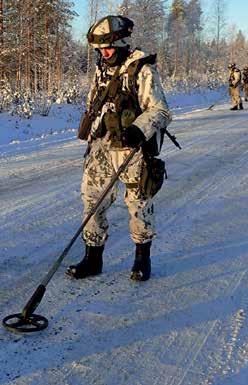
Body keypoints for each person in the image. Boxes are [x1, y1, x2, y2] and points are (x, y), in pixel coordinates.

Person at [66, 15, 172, 281]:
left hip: (131, 149)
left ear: (123, 41)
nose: (104, 52)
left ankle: (141, 259)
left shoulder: (140, 68)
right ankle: (93, 258)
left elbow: (160, 110)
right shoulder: (101, 69)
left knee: (137, 203)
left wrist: (137, 130)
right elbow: (94, 103)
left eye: (109, 46)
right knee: (92, 199)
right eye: (100, 48)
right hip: (101, 146)